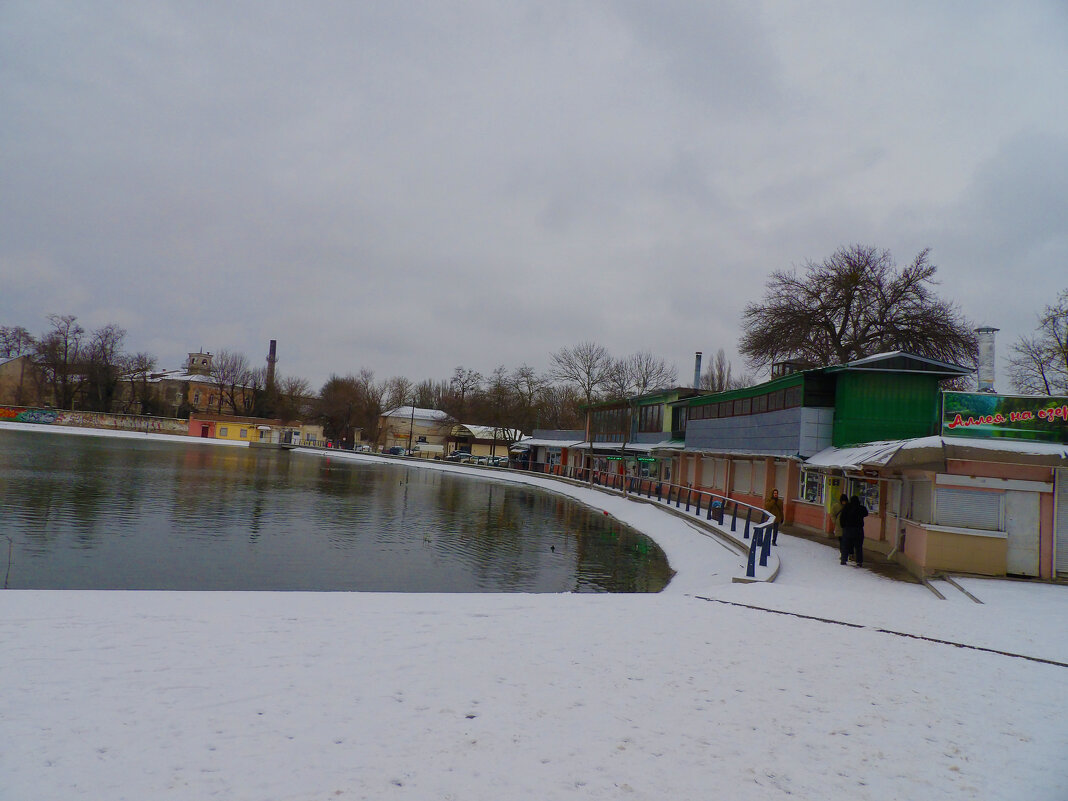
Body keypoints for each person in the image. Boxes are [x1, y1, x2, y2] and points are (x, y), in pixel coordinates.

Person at [838, 494, 868, 567]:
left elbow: (842, 518)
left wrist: (843, 526)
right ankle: (859, 561)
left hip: (847, 529)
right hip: (858, 529)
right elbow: (866, 513)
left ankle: (843, 560)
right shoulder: (861, 508)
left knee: (845, 545)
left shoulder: (846, 508)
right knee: (858, 546)